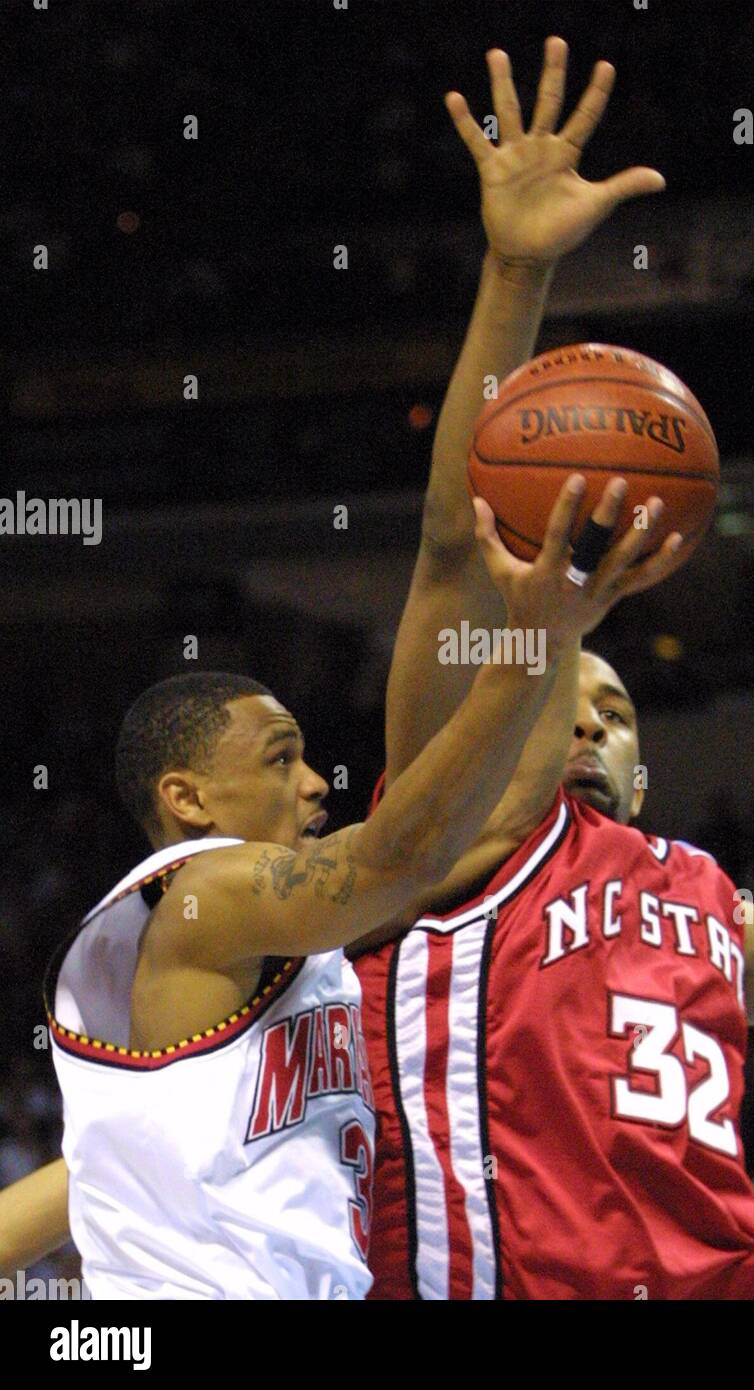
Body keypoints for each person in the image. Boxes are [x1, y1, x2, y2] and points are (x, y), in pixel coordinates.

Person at [349, 38, 754, 1298]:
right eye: (560, 691)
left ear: (643, 770)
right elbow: (445, 551)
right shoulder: (452, 832)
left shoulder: (698, 903)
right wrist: (517, 272)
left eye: (617, 708)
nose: (584, 720)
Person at [30, 482, 674, 1300]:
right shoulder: (202, 890)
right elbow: (398, 855)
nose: (312, 784)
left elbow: (494, 819)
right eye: (278, 758)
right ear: (187, 799)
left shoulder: (280, 945)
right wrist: (536, 640)